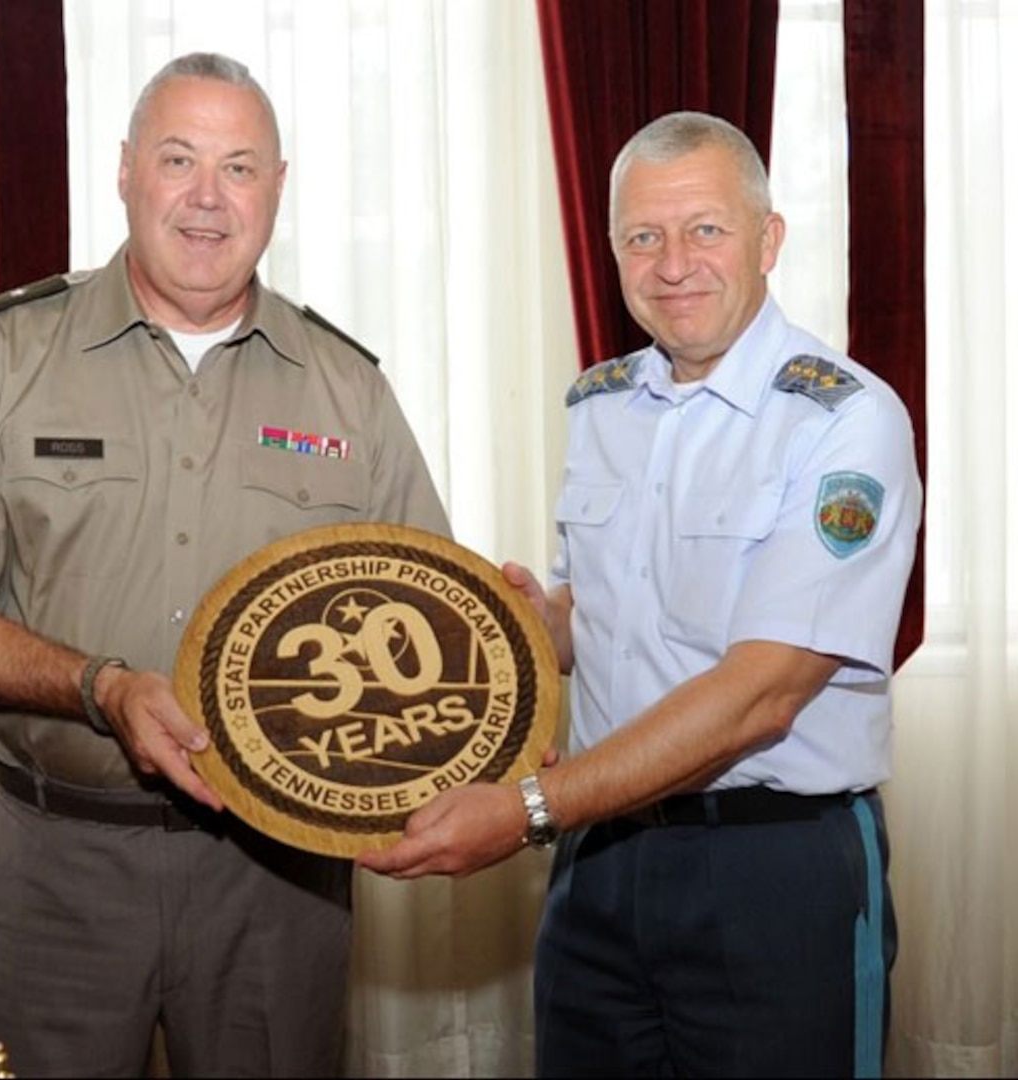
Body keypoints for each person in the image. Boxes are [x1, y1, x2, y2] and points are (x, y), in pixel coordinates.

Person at [0, 52, 448, 1078]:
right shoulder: (4, 356)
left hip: (278, 883)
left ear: (278, 189)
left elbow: (425, 631)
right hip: (58, 871)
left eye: (240, 168)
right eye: (179, 160)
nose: (208, 198)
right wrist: (100, 688)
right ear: (125, 172)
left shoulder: (350, 390)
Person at [359, 110, 922, 1078]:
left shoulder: (843, 421)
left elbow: (764, 692)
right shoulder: (601, 406)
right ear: (612, 248)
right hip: (602, 857)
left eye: (705, 229)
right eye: (641, 237)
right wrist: (525, 624)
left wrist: (531, 808)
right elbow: (598, 619)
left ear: (767, 240)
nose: (673, 264)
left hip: (771, 864)